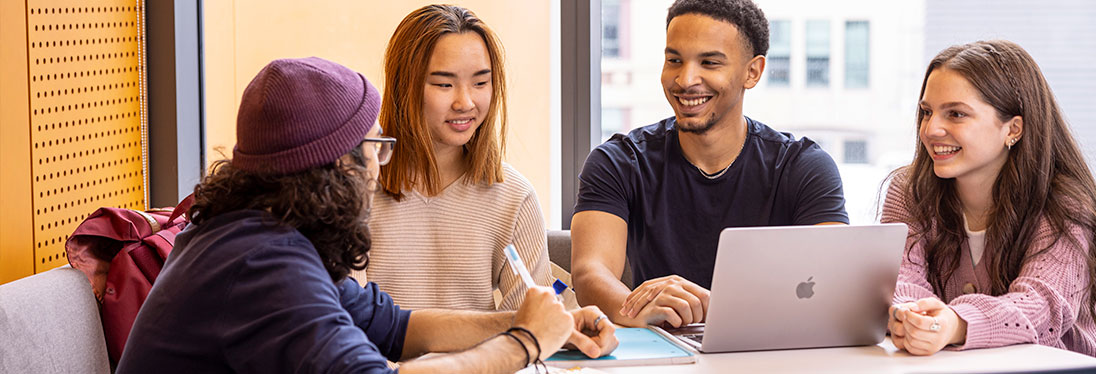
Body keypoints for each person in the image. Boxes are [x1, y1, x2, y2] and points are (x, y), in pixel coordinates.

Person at [117, 57, 616, 373]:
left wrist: (540, 322)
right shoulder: (263, 265)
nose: (381, 165)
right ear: (338, 165)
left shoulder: (258, 234)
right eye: (374, 148)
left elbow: (397, 327)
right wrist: (525, 342)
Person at [571, 0, 849, 329]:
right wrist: (632, 309)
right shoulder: (617, 162)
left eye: (709, 63)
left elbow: (835, 283)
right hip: (665, 348)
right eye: (674, 60)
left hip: (772, 347)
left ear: (753, 71)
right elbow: (591, 272)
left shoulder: (805, 167)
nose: (686, 80)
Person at [882, 40, 1096, 360]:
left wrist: (955, 324)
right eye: (927, 112)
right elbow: (896, 278)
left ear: (1013, 129)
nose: (931, 129)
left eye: (956, 114)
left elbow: (1041, 307)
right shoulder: (909, 190)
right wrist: (912, 317)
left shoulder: (1064, 204)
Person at [361, 4, 553, 311]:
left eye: (480, 83)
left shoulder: (514, 197)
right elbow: (342, 327)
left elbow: (532, 329)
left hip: (486, 361)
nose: (465, 102)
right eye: (444, 84)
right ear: (404, 86)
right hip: (370, 361)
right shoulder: (357, 190)